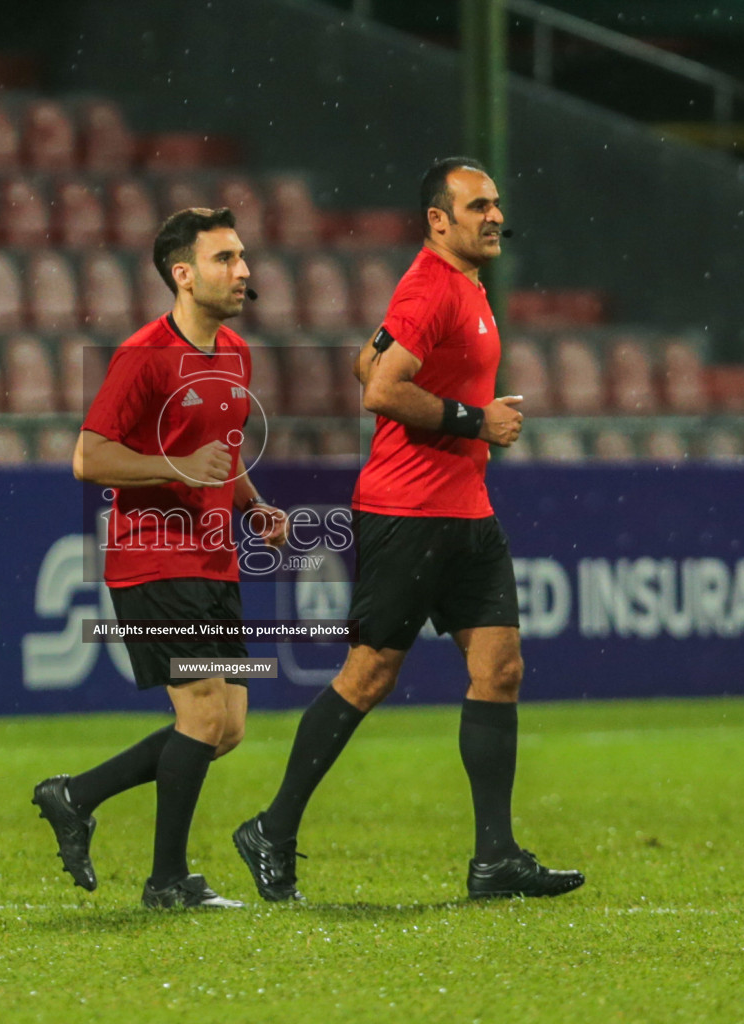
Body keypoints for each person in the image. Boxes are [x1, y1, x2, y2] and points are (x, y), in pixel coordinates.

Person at [231, 158, 584, 903]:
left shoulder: (462, 285)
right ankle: (273, 827)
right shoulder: (431, 284)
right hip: (407, 512)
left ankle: (495, 859)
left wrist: (451, 407)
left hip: (467, 511)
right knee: (369, 675)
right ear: (438, 220)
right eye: (478, 205)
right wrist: (474, 419)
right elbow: (382, 391)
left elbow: (370, 361)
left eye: (497, 204)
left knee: (501, 669)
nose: (494, 216)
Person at [32, 207, 288, 909]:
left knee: (226, 729)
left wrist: (252, 504)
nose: (242, 271)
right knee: (202, 718)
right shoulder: (143, 354)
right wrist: (176, 465)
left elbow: (221, 454)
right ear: (182, 274)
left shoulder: (235, 353)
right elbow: (89, 458)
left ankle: (75, 794)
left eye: (241, 257)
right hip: (152, 556)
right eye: (224, 259)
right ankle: (167, 881)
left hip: (215, 557)